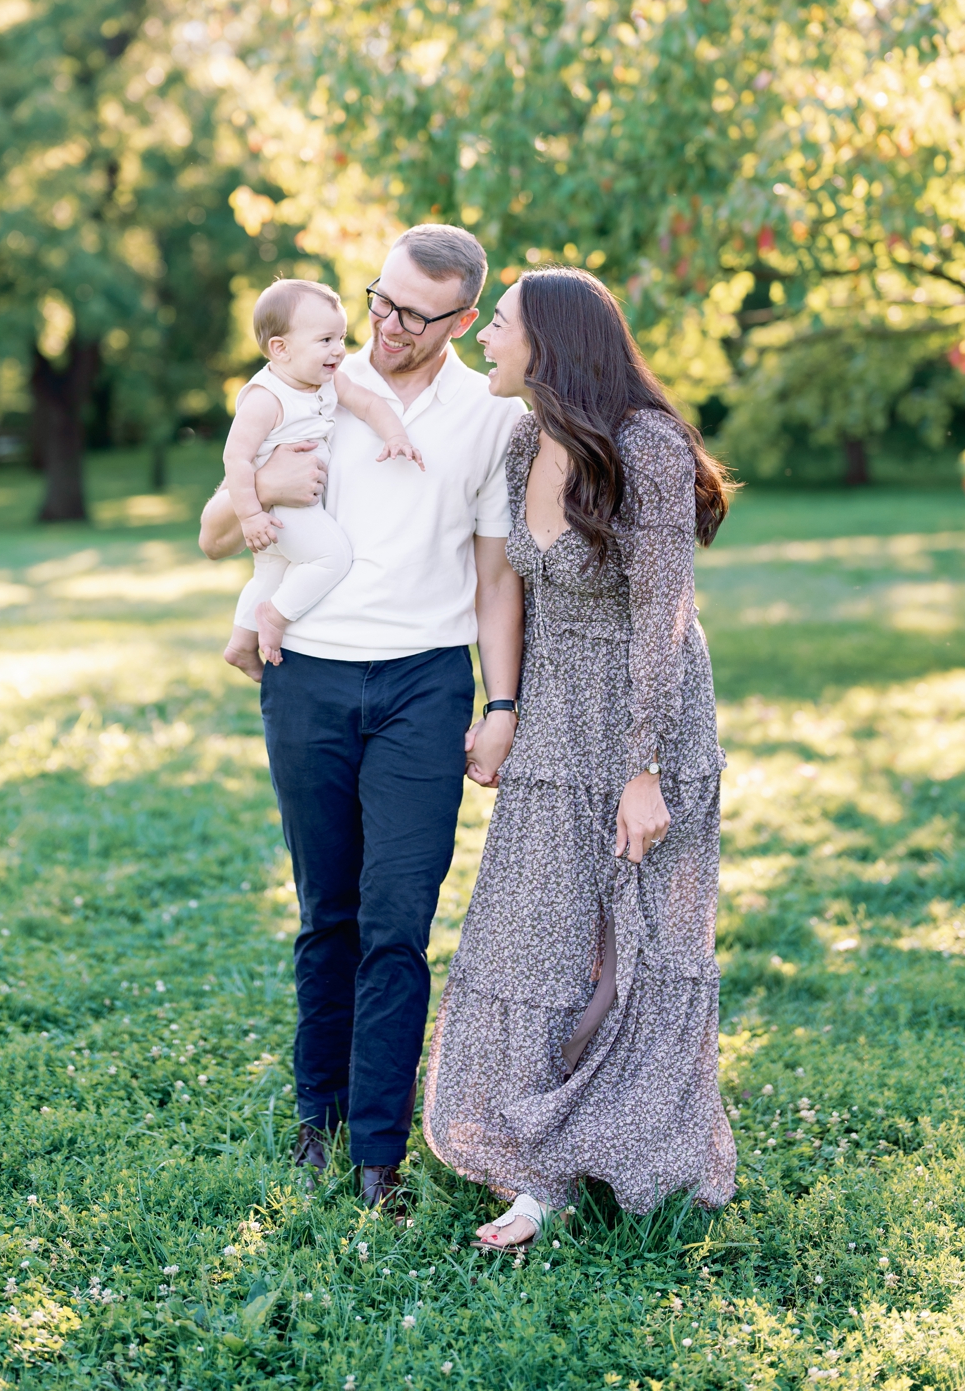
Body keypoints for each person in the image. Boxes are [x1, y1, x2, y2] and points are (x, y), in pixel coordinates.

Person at [199, 225, 525, 1207]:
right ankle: (320, 1114)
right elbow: (214, 532)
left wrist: (502, 700)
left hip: (425, 685)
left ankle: (381, 1149)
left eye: (412, 315)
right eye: (377, 300)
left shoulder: (486, 416)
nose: (383, 326)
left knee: (397, 920)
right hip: (307, 679)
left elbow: (496, 574)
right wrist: (264, 486)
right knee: (326, 912)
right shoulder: (311, 377)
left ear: (462, 319)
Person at [422, 266, 737, 1248]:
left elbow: (662, 613)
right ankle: (538, 1165)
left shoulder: (645, 446)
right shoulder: (525, 442)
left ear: (548, 343)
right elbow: (517, 589)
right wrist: (505, 708)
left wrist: (641, 767)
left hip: (651, 723)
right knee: (538, 939)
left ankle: (630, 1146)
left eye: (499, 324)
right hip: (555, 725)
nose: (484, 340)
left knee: (636, 941)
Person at [221, 278, 423, 681]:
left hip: (289, 510)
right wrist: (250, 516)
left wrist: (396, 435)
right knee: (332, 557)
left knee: (271, 574)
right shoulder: (266, 397)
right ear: (280, 349)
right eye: (325, 340)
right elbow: (236, 458)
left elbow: (367, 403)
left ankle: (241, 644)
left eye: (341, 337)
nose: (338, 350)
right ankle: (274, 617)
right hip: (282, 509)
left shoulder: (328, 381)